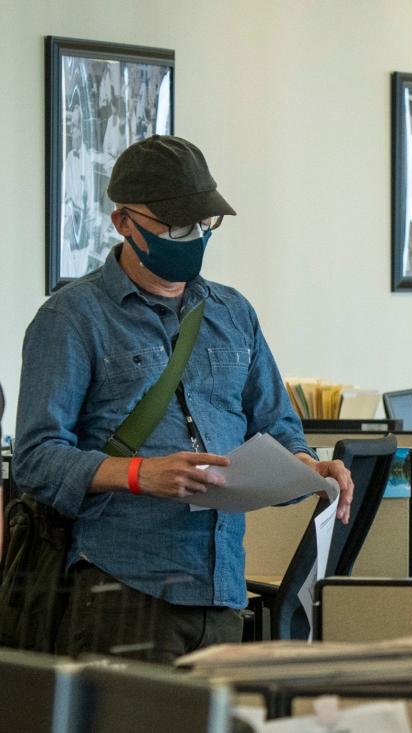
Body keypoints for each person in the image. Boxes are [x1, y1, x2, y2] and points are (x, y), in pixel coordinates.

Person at [13, 135, 354, 662]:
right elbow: (34, 461)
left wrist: (311, 469)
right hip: (121, 587)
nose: (192, 236)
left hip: (221, 590)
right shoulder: (71, 319)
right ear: (122, 222)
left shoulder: (233, 313)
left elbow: (278, 426)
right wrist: (138, 475)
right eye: (174, 225)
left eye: (203, 223)